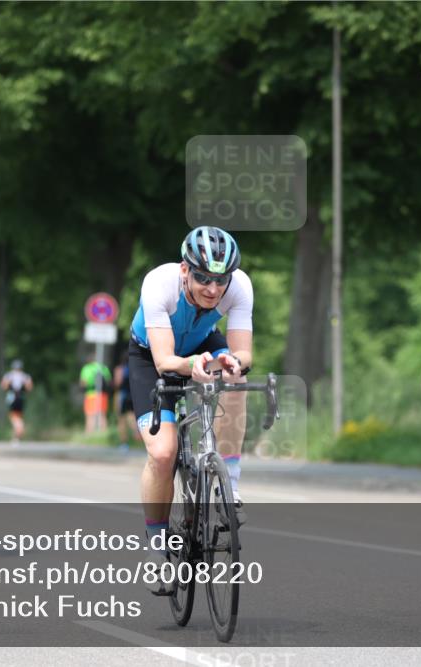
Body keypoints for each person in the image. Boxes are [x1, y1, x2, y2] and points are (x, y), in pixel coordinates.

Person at [128, 226, 252, 595]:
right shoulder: (159, 283)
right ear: (185, 270)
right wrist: (193, 364)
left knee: (237, 379)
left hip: (202, 343)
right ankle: (156, 545)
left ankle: (227, 483)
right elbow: (166, 360)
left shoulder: (241, 286)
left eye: (220, 280)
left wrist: (230, 363)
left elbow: (244, 354)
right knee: (163, 454)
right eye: (202, 278)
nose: (213, 289)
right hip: (152, 356)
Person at [0, 359, 33, 442]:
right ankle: (16, 437)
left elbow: (4, 386)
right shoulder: (25, 376)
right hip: (21, 398)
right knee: (18, 415)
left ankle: (19, 428)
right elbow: (29, 388)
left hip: (12, 397)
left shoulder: (9, 375)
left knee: (13, 416)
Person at [112, 352, 139, 449]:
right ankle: (137, 434)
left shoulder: (120, 369)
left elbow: (117, 383)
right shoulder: (134, 369)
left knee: (121, 419)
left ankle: (124, 443)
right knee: (132, 416)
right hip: (132, 395)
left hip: (122, 395)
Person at [79, 355, 112, 433]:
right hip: (102, 394)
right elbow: (110, 382)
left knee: (90, 415)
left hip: (91, 394)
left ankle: (89, 434)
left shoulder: (86, 368)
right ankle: (103, 434)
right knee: (102, 415)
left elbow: (83, 383)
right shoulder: (104, 368)